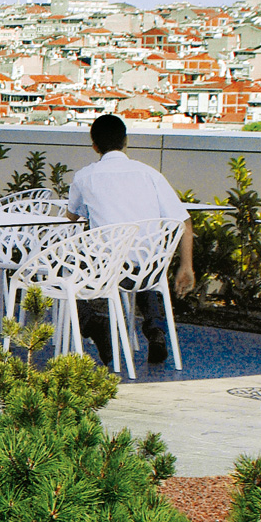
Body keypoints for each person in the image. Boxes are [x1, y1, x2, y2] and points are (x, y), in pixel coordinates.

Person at [67, 113, 195, 368]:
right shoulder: (150, 174)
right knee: (140, 256)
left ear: (94, 146)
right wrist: (186, 266)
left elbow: (71, 218)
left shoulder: (85, 177)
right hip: (150, 270)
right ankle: (155, 329)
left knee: (65, 271)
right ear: (126, 141)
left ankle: (94, 324)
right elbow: (185, 223)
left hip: (109, 272)